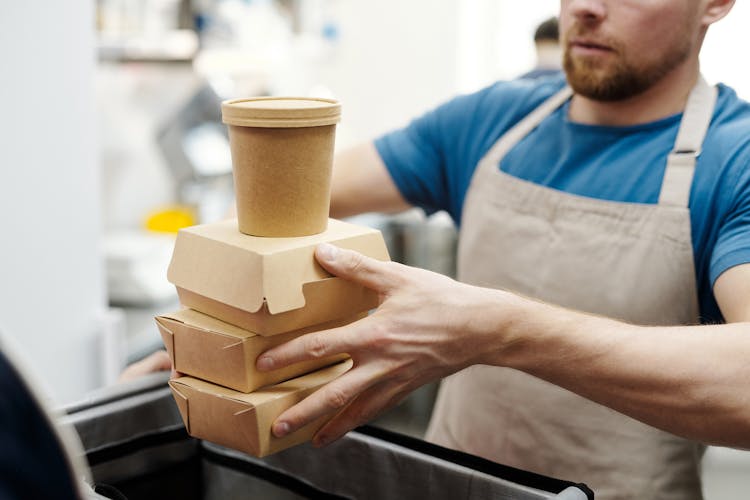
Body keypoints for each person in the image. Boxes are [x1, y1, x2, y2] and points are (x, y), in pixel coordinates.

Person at [255, 0, 749, 498]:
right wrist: (220, 329)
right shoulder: (494, 120)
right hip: (447, 484)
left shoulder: (736, 159)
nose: (585, 7)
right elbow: (290, 200)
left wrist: (502, 330)